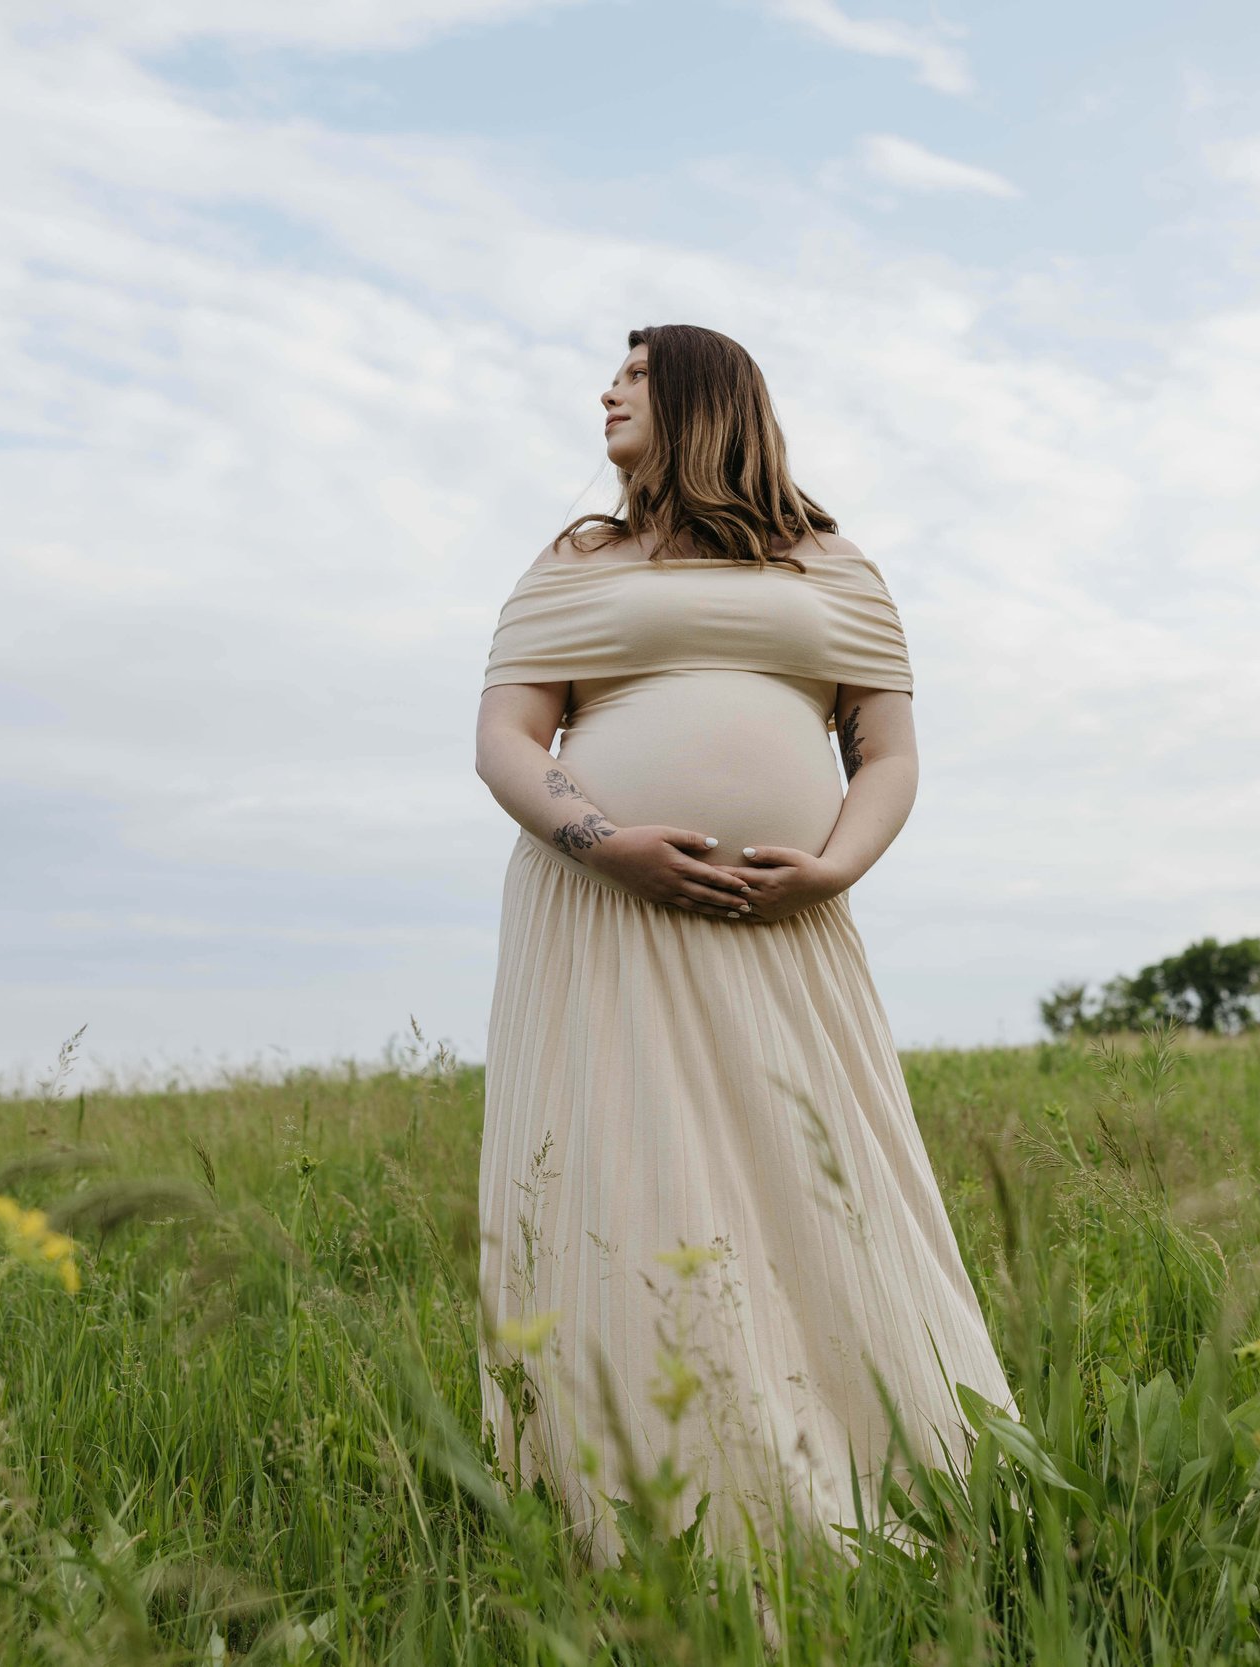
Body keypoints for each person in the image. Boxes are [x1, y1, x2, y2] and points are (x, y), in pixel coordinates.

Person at [472, 324, 1012, 1561]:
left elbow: (887, 755)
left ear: (708, 395)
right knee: (617, 1168)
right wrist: (600, 838)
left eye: (634, 374)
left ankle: (878, 1476)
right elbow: (508, 739)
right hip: (598, 909)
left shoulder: (837, 567)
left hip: (790, 924)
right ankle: (642, 1504)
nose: (604, 392)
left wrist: (828, 869)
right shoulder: (577, 560)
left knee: (817, 1180)